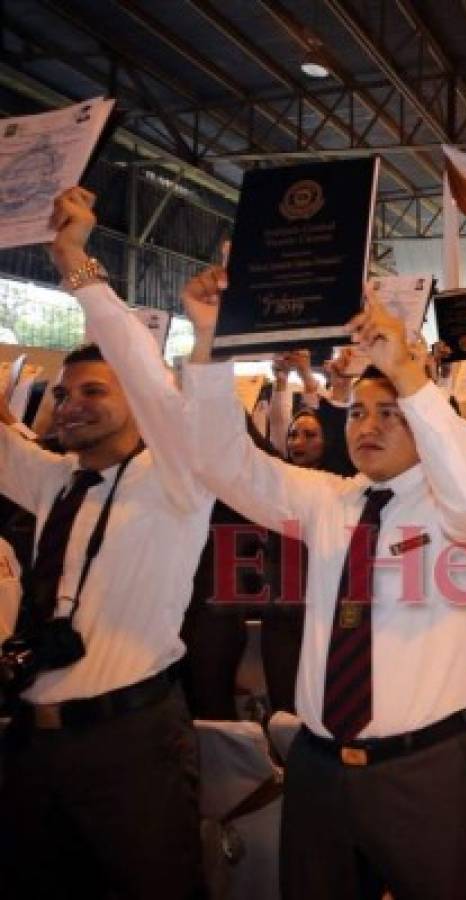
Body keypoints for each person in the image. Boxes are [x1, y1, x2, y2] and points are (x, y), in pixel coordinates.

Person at [180, 266, 466, 898]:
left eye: (392, 413)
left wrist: (410, 373)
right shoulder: (327, 501)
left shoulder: (461, 516)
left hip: (425, 773)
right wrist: (209, 342)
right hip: (319, 769)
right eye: (357, 411)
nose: (368, 426)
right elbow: (223, 464)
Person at [0, 187, 212, 899]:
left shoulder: (176, 479)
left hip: (132, 744)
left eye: (94, 390)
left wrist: (74, 261)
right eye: (63, 395)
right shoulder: (52, 482)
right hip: (33, 740)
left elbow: (150, 373)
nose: (71, 404)